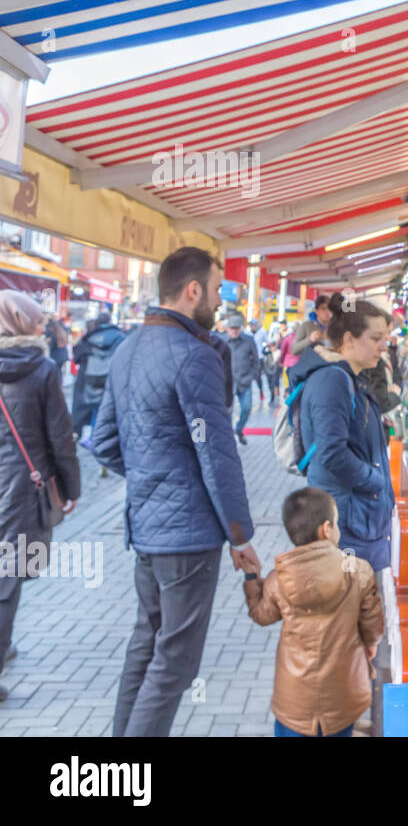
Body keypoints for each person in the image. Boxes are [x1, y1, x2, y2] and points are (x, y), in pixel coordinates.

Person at [93, 246, 259, 737]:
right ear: (193, 291)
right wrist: (241, 535)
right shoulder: (195, 356)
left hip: (146, 530)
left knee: (146, 648)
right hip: (188, 537)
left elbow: (103, 443)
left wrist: (153, 477)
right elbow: (217, 454)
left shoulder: (128, 349)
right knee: (174, 665)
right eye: (214, 289)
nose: (216, 298)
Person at [244, 487, 384, 737]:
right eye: (337, 524)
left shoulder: (278, 580)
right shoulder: (358, 571)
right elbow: (372, 625)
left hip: (294, 703)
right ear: (326, 529)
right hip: (342, 696)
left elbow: (260, 615)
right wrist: (370, 643)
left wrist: (251, 576)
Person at [0, 291, 80, 704]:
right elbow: (59, 438)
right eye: (36, 322)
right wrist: (69, 488)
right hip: (20, 489)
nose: (43, 328)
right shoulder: (43, 369)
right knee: (7, 579)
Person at [298, 298, 395, 573]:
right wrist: (375, 481)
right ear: (350, 339)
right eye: (376, 338)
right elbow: (332, 453)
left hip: (358, 516)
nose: (383, 346)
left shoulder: (351, 378)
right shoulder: (333, 381)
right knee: (351, 605)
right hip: (347, 520)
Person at [70, 313, 126, 439]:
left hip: (89, 378)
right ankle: (102, 438)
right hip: (112, 378)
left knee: (93, 408)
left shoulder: (89, 336)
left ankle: (91, 437)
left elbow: (77, 356)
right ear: (110, 321)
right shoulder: (120, 337)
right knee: (108, 410)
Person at [223, 312, 260, 445]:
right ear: (227, 329)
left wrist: (252, 376)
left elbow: (256, 361)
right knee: (228, 412)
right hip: (227, 383)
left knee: (246, 408)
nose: (234, 331)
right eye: (232, 328)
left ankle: (239, 429)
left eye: (237, 328)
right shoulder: (222, 341)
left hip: (244, 381)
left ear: (241, 328)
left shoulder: (248, 340)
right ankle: (228, 436)